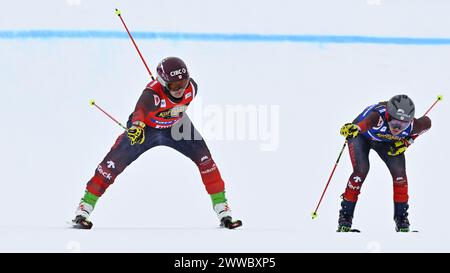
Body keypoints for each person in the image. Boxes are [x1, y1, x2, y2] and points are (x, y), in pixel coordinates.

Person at [71, 57, 242, 229]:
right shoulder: (151, 94)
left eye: (183, 83)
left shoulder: (192, 88)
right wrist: (136, 126)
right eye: (174, 86)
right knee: (112, 164)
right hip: (146, 130)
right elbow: (140, 111)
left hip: (177, 127)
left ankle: (222, 209)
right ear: (162, 82)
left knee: (205, 160)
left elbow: (179, 106)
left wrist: (170, 113)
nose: (180, 90)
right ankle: (85, 207)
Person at [338, 94, 431, 232]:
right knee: (361, 170)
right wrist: (355, 129)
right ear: (387, 116)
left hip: (386, 142)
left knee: (400, 174)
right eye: (394, 123)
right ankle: (345, 218)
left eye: (403, 124)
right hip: (361, 136)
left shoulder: (412, 126)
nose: (398, 128)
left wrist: (407, 141)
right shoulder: (378, 117)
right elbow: (367, 123)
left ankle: (401, 220)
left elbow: (427, 122)